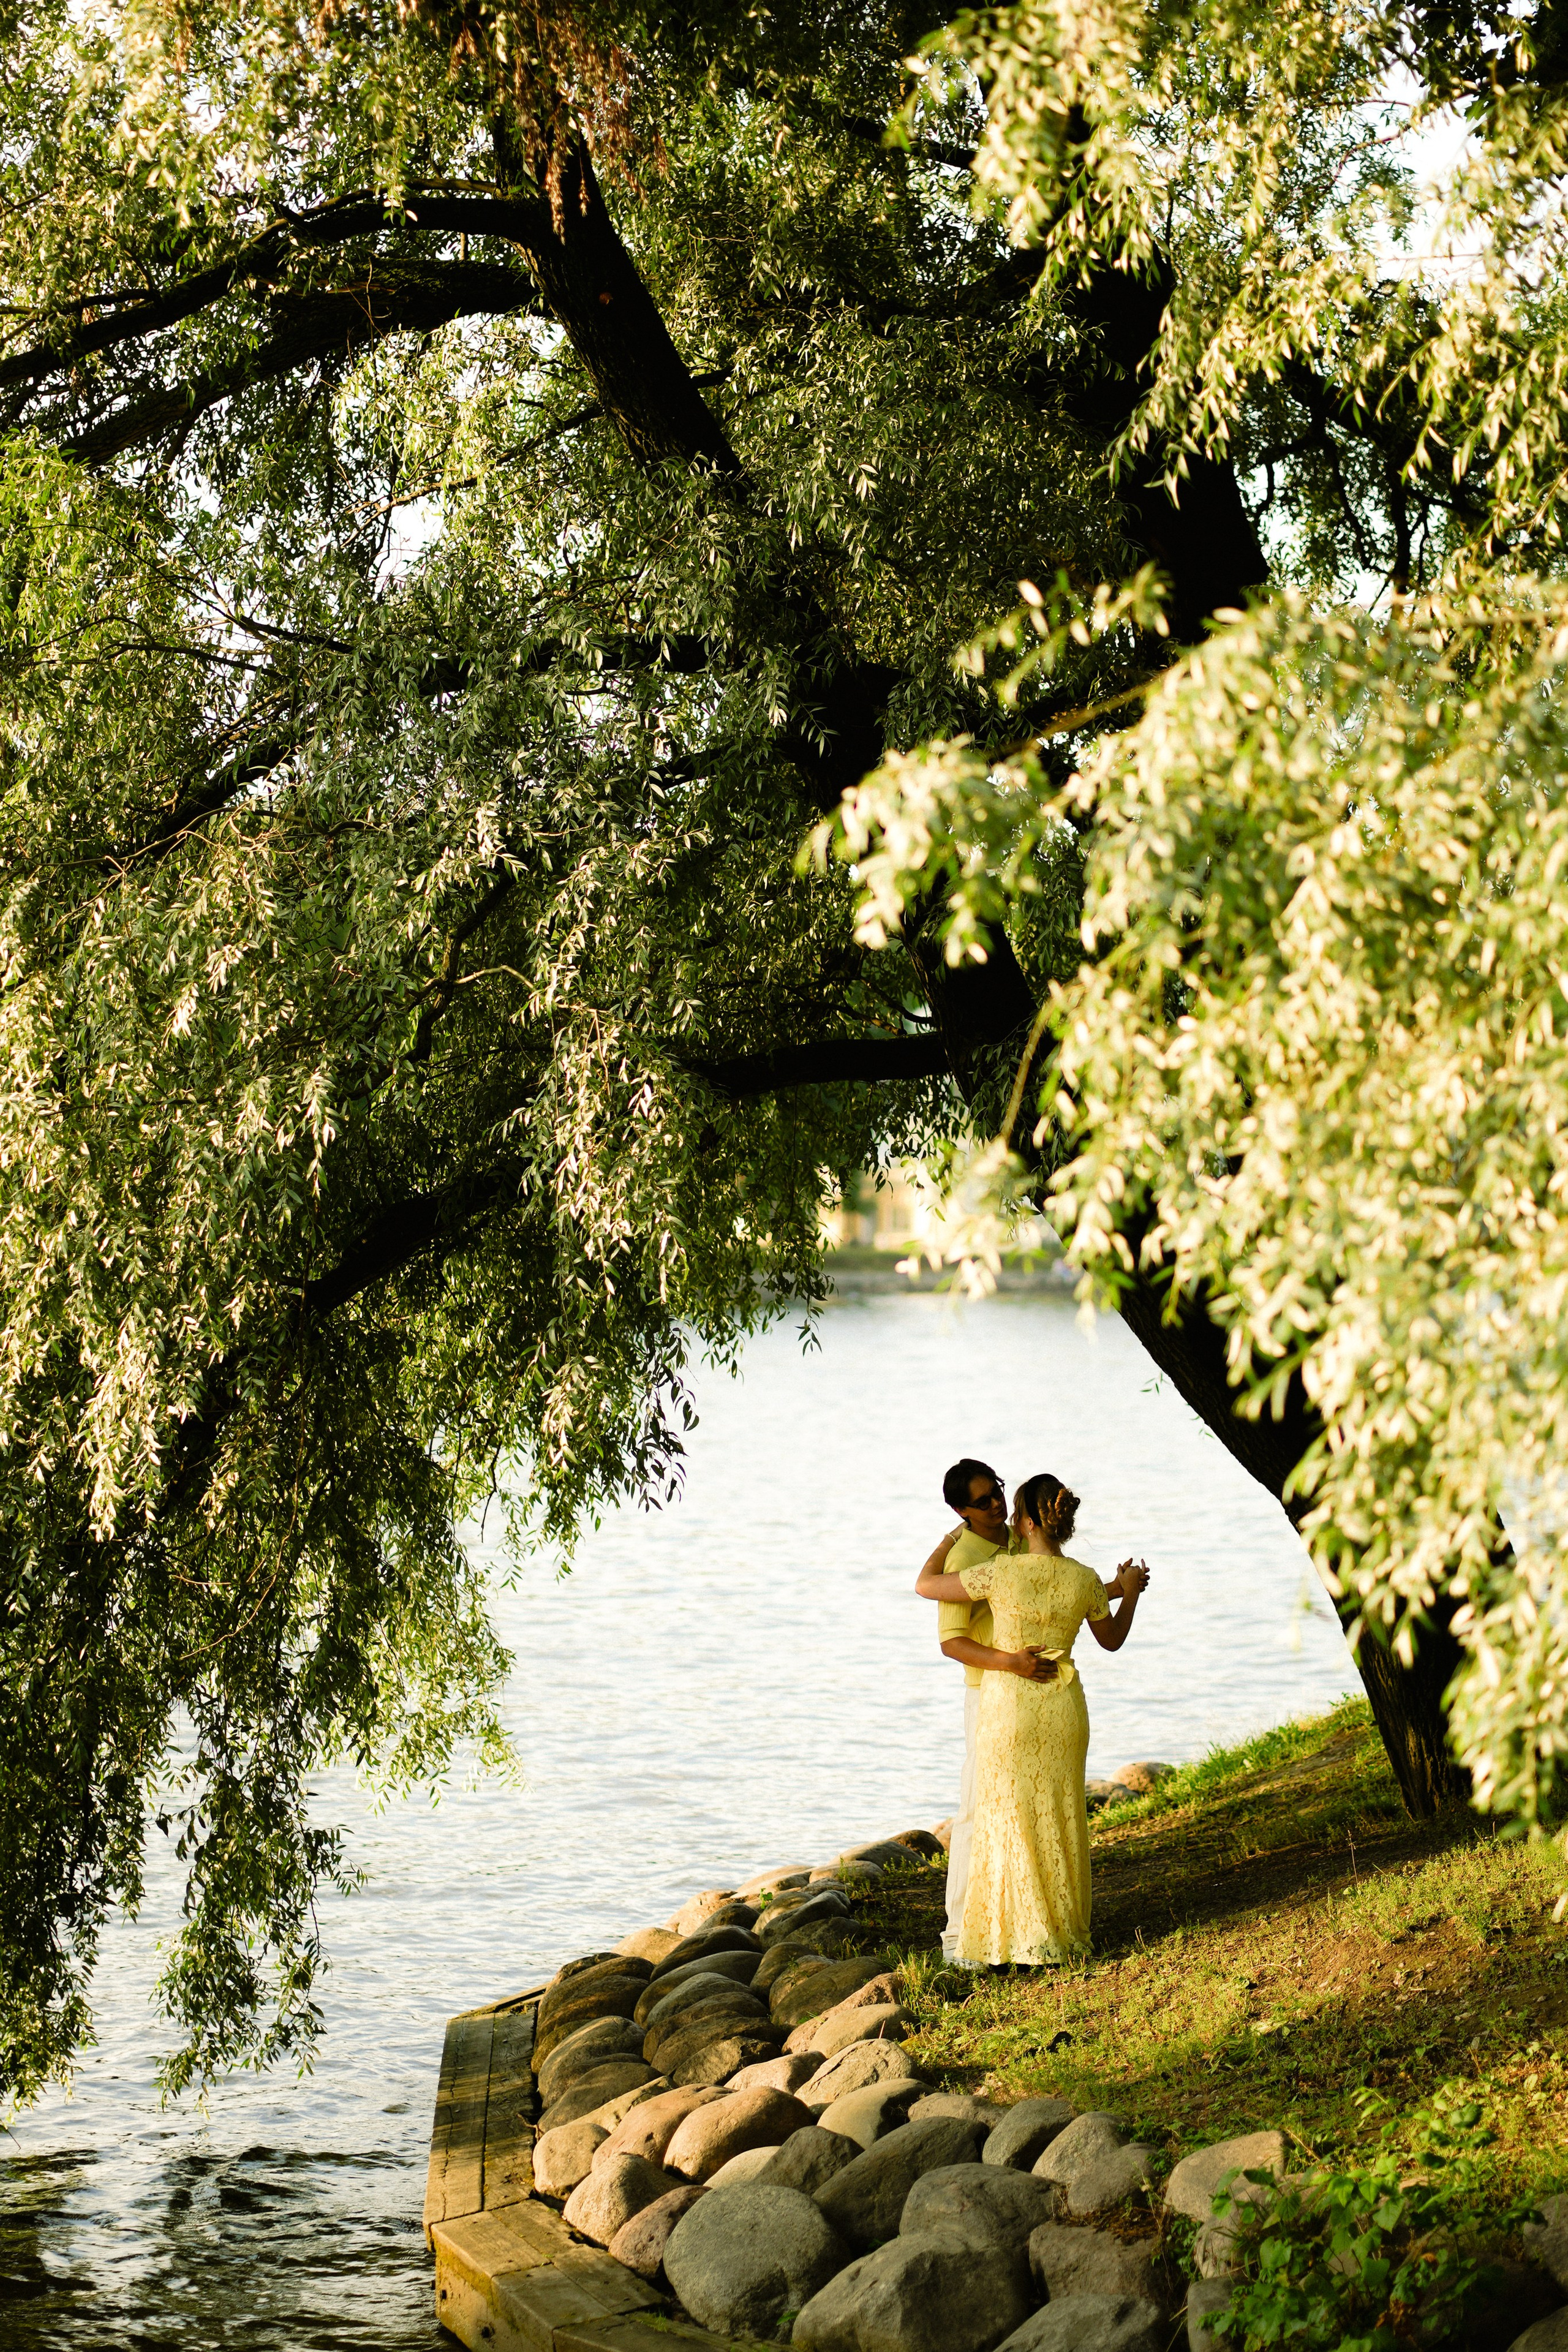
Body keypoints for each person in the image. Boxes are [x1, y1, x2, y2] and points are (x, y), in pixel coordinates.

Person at [918, 1472, 1150, 1966]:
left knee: (1005, 1819)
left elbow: (925, 1585)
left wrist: (952, 1535)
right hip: (1063, 1707)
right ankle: (1059, 1936)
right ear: (1062, 1522)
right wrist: (1127, 1592)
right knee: (1061, 1817)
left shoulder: (1001, 1574)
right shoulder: (1085, 1579)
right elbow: (1111, 1640)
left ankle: (1004, 1940)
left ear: (1023, 1523)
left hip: (1007, 1705)